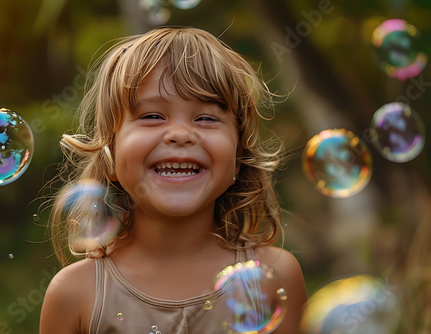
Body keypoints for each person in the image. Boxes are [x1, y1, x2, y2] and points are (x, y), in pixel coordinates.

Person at [39, 26, 307, 334]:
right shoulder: (75, 293)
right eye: (152, 116)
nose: (180, 134)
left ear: (238, 157)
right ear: (110, 154)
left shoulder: (276, 278)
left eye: (206, 118)